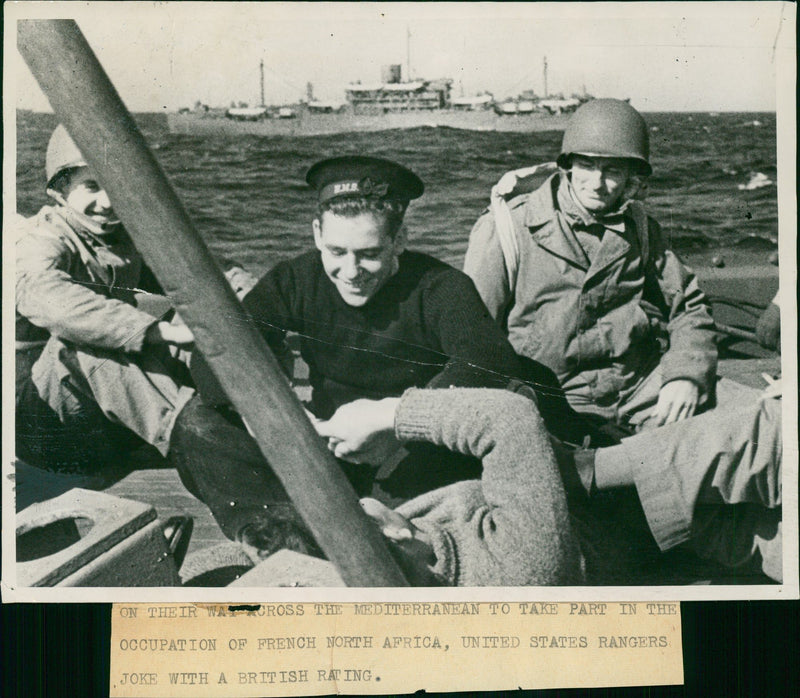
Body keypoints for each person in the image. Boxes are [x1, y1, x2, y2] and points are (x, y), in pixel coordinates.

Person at [167, 155, 533, 555]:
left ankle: (375, 539)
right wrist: (268, 412)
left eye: (369, 253)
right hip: (324, 450)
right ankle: (280, 542)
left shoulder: (441, 287)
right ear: (316, 235)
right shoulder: (294, 279)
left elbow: (490, 364)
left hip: (408, 454)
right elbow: (218, 349)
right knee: (197, 424)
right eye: (336, 251)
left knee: (415, 504)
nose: (351, 270)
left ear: (400, 240)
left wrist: (396, 424)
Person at [464, 99, 755, 433]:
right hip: (549, 399)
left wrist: (687, 375)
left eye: (612, 170)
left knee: (756, 421)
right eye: (587, 166)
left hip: (636, 388)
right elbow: (472, 335)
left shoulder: (641, 228)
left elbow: (687, 308)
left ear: (632, 177)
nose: (597, 183)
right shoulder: (507, 229)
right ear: (568, 165)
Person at [356, 386, 782, 585]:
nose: (362, 501)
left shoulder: (419, 554)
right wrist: (392, 413)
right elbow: (509, 417)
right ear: (388, 529)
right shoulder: (512, 568)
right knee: (769, 428)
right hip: (630, 519)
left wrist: (683, 372)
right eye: (356, 509)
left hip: (674, 517)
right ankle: (590, 468)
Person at [15, 125, 195, 472]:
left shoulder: (118, 241)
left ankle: (237, 423)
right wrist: (159, 332)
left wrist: (242, 292)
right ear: (61, 189)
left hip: (99, 422)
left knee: (196, 319)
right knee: (83, 344)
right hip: (38, 425)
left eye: (116, 186)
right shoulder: (40, 240)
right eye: (92, 186)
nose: (108, 202)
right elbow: (47, 296)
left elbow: (188, 275)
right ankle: (198, 441)